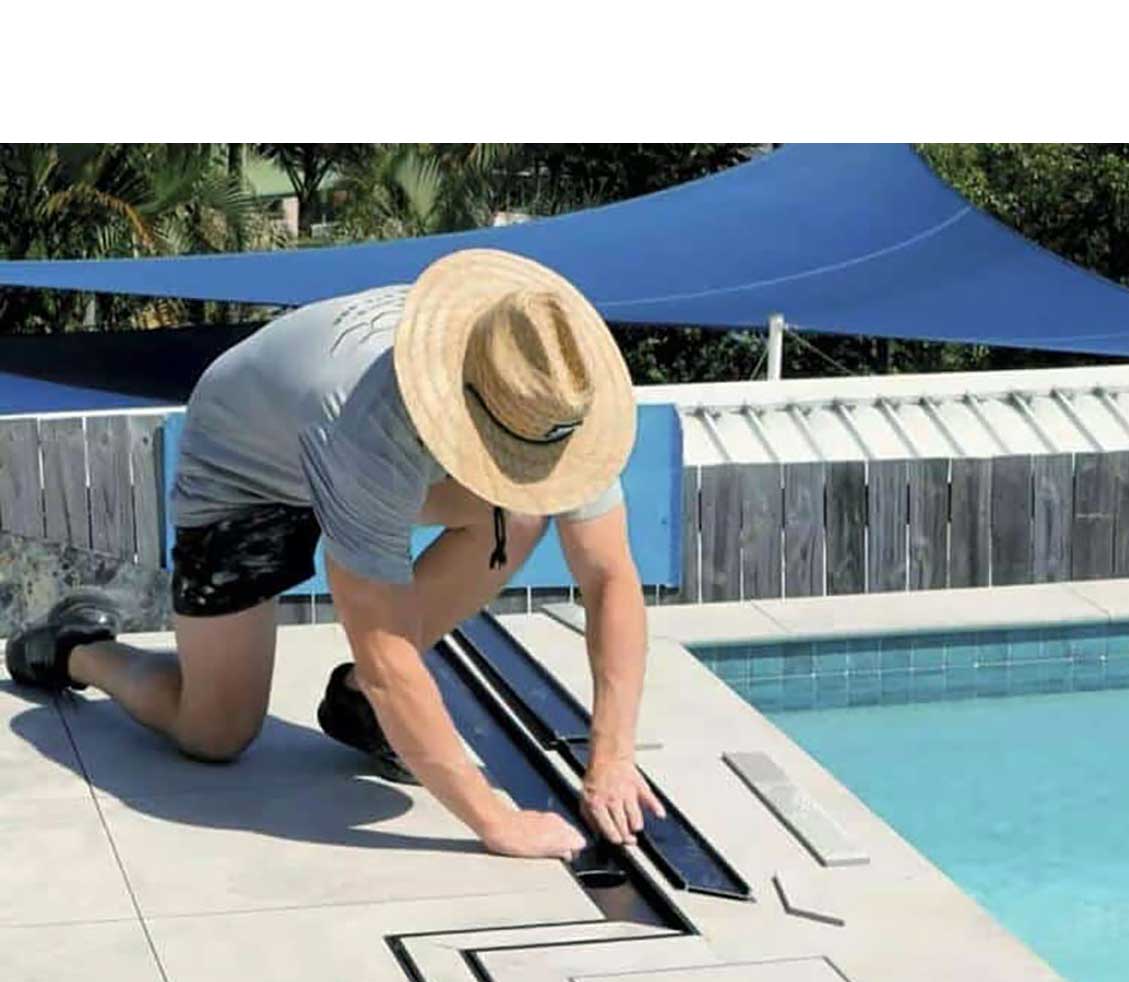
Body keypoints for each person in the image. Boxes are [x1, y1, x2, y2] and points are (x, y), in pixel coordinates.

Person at [6, 248, 665, 861]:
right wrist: (497, 821)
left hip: (333, 433)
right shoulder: (372, 427)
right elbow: (386, 656)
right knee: (214, 734)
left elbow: (610, 577)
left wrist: (612, 756)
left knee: (521, 509)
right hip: (243, 472)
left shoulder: (549, 387)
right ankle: (78, 648)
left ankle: (355, 707)